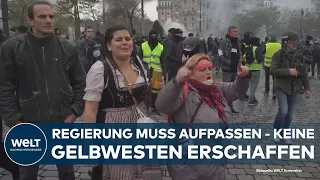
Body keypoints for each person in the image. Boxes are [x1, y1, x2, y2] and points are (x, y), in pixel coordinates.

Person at [0, 1, 86, 179]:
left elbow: (81, 83)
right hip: (27, 123)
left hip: (62, 122)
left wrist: (75, 111)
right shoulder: (12, 47)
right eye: (42, 16)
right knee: (28, 174)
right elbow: (4, 86)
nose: (48, 20)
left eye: (51, 16)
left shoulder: (67, 47)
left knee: (67, 173)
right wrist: (14, 120)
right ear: (30, 20)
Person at [83, 25, 163, 180]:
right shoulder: (100, 69)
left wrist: (155, 87)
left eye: (127, 39)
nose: (125, 42)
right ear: (108, 45)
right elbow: (90, 110)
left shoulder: (137, 62)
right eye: (118, 39)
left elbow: (143, 95)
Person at [155, 53, 250, 180]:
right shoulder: (183, 91)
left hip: (215, 161)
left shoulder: (216, 88)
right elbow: (162, 106)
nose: (208, 72)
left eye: (209, 69)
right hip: (188, 166)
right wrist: (176, 82)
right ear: (190, 73)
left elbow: (236, 90)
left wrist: (243, 77)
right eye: (202, 69)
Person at [270, 32, 310, 144]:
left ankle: (285, 134)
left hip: (295, 88)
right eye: (292, 42)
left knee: (289, 114)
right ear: (286, 42)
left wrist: (307, 88)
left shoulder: (299, 56)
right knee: (283, 111)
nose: (295, 44)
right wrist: (288, 71)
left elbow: (304, 73)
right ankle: (277, 133)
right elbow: (272, 70)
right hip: (281, 87)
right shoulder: (278, 55)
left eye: (296, 42)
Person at [218, 26, 242, 113]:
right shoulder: (224, 41)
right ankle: (224, 107)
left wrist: (241, 59)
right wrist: (228, 62)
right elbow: (220, 54)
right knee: (226, 88)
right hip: (227, 69)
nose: (236, 33)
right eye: (234, 31)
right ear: (229, 32)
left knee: (232, 89)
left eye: (237, 31)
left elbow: (239, 52)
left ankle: (230, 107)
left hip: (235, 68)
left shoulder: (237, 41)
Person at [245, 36, 264, 105]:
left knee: (249, 84)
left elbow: (244, 57)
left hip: (247, 69)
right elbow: (260, 59)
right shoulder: (257, 49)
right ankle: (251, 99)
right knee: (254, 85)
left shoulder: (248, 48)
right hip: (255, 69)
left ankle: (252, 97)